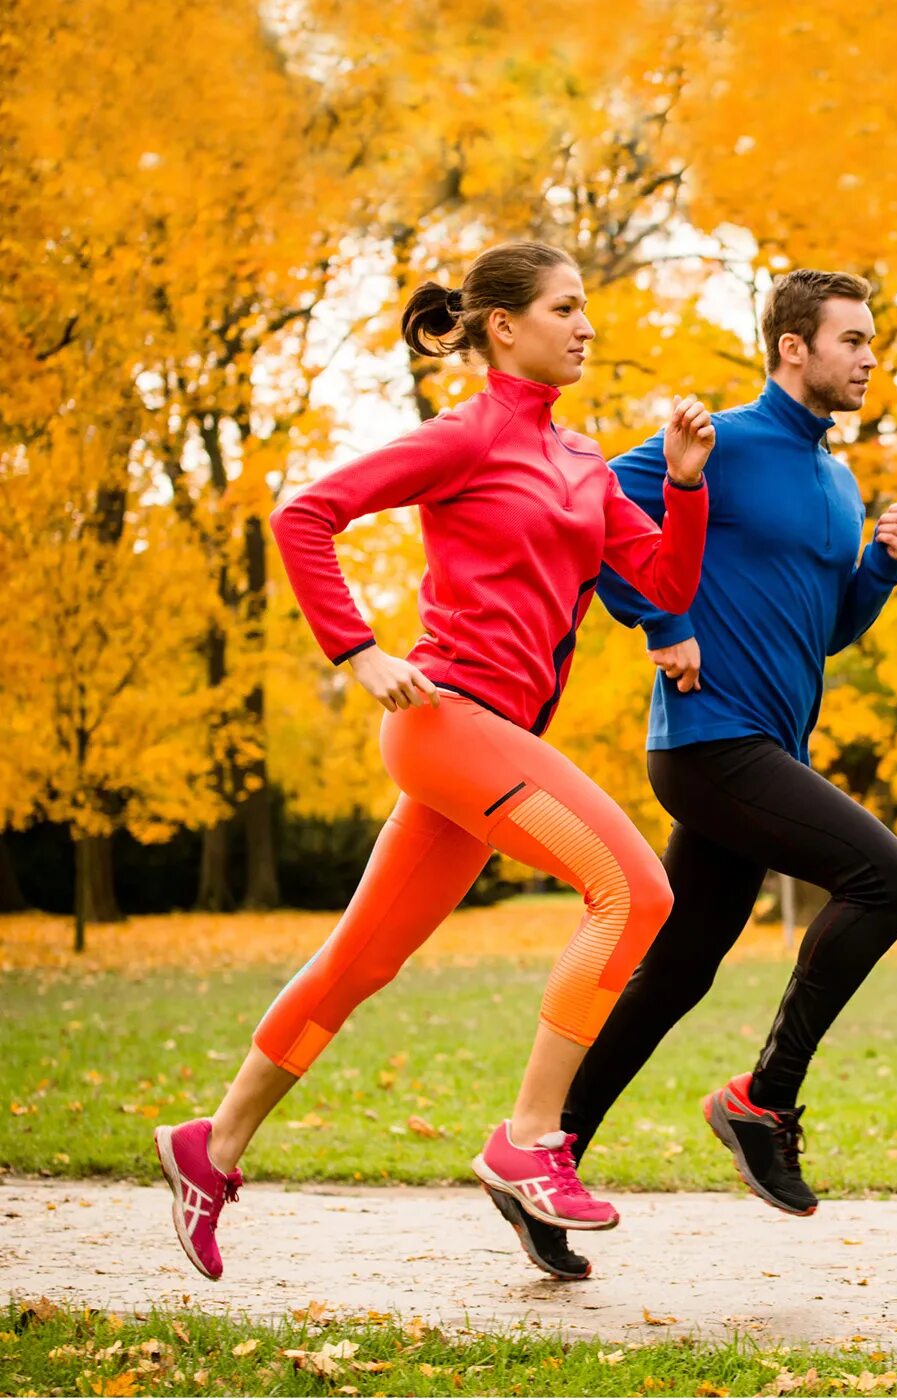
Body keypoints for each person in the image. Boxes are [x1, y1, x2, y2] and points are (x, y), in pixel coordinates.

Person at [152, 241, 715, 1282]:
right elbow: (304, 515)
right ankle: (530, 1138)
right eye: (565, 308)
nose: (587, 325)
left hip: (495, 744)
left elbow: (666, 582)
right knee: (635, 889)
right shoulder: (462, 438)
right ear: (504, 325)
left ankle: (212, 1144)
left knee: (361, 959)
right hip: (443, 718)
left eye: (587, 309)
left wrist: (683, 484)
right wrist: (357, 650)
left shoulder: (587, 463)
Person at [489, 269, 897, 1281]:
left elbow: (829, 634)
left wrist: (880, 568)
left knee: (678, 969)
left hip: (765, 743)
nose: (867, 358)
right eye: (851, 340)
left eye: (871, 342)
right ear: (792, 348)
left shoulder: (834, 478)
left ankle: (542, 1157)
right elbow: (597, 517)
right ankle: (763, 1099)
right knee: (887, 877)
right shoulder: (722, 440)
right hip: (709, 741)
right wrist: (665, 621)